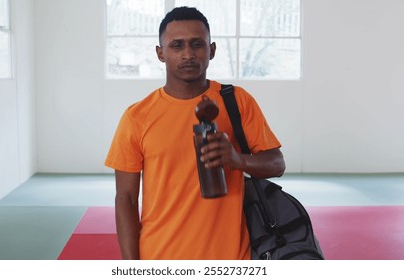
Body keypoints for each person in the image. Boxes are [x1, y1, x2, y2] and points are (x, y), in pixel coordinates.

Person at [105, 6, 285, 260]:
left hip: (231, 258)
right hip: (159, 257)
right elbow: (125, 199)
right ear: (160, 53)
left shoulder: (237, 102)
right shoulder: (137, 117)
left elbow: (277, 164)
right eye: (177, 45)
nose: (188, 54)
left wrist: (237, 160)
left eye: (197, 44)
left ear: (211, 50)